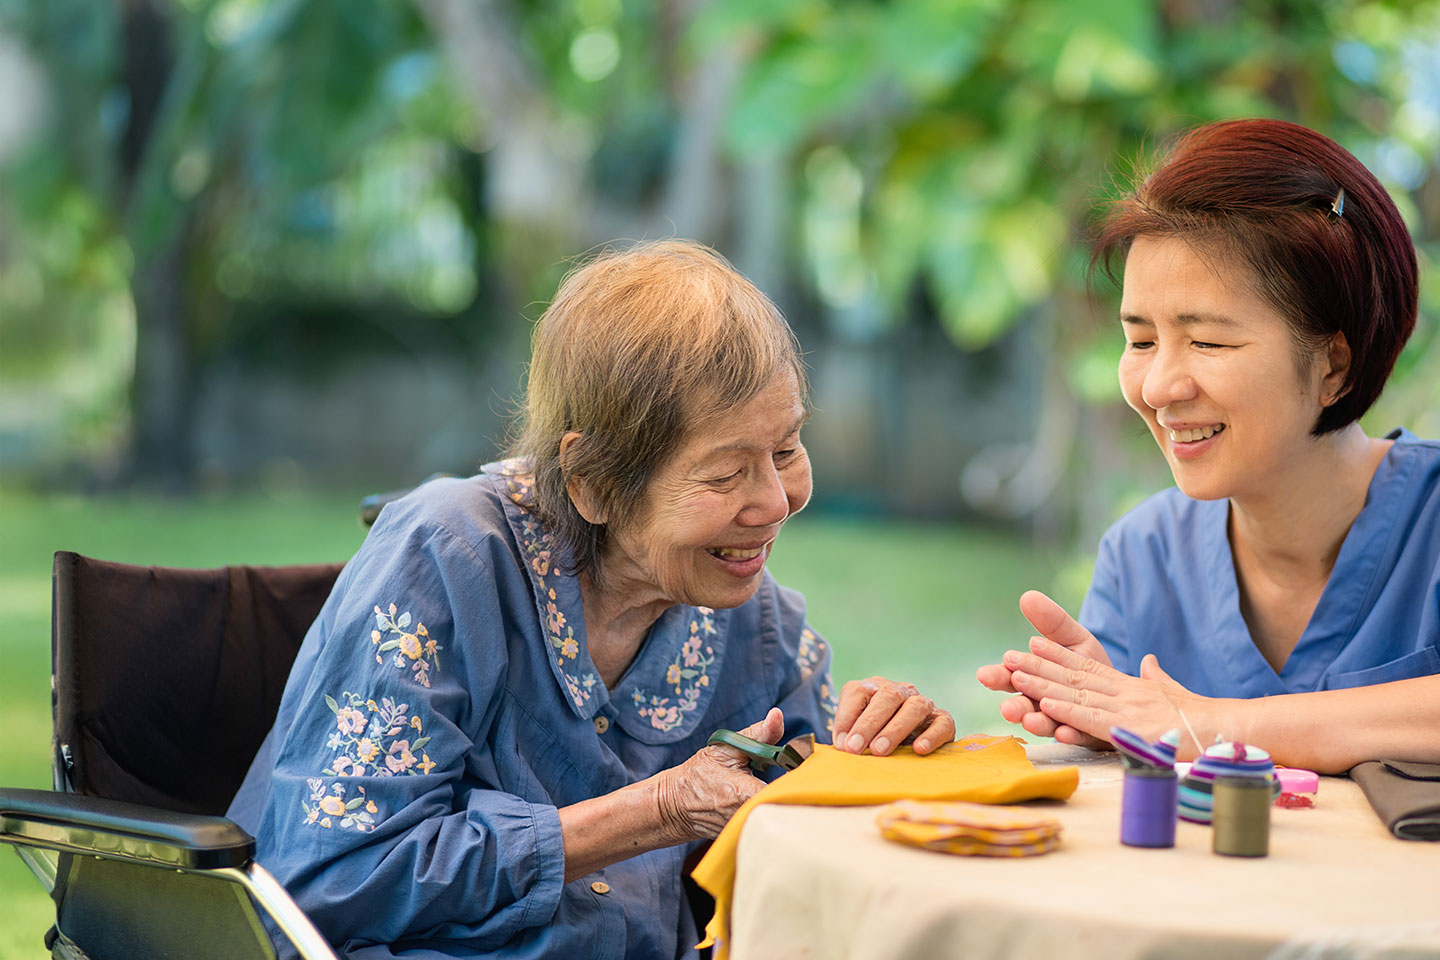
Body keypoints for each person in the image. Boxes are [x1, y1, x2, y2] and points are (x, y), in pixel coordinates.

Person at [229, 239, 955, 959]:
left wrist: (885, 749)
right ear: (594, 482)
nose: (776, 502)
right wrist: (656, 810)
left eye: (787, 450)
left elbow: (820, 832)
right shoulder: (448, 557)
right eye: (726, 473)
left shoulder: (755, 623)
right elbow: (323, 881)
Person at [976, 118, 1440, 775]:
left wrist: (1211, 726)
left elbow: (1184, 727)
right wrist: (1107, 731)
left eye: (1208, 341)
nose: (1158, 386)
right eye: (1140, 340)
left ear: (1335, 365)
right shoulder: (1144, 559)